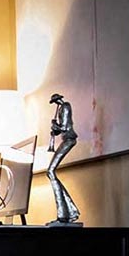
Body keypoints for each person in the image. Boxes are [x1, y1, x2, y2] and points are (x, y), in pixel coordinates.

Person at [46, 93, 81, 225]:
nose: (55, 103)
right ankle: (70, 212)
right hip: (66, 139)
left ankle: (64, 214)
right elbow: (61, 129)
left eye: (55, 101)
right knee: (50, 172)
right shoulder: (61, 108)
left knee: (50, 171)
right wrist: (54, 130)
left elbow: (65, 127)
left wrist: (56, 127)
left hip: (69, 140)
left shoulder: (65, 106)